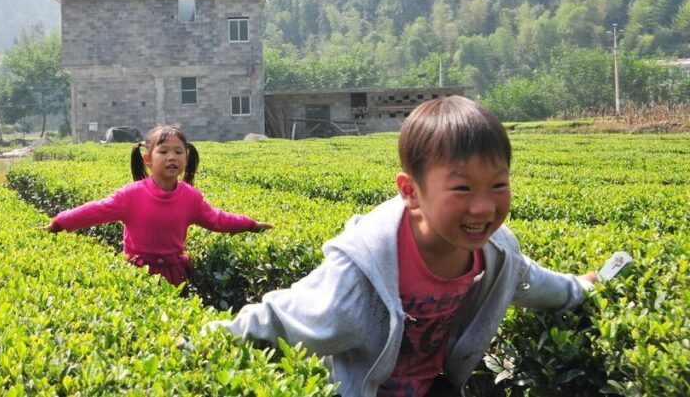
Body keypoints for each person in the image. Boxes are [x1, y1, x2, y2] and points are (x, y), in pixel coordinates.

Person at [206, 96, 597, 397]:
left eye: (498, 184)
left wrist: (581, 286)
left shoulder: (495, 251)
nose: (483, 206)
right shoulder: (363, 266)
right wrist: (202, 342)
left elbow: (528, 280)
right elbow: (281, 319)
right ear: (411, 191)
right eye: (462, 188)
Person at [41, 124, 273, 286]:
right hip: (136, 273)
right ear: (148, 159)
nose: (172, 157)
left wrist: (251, 224)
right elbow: (95, 211)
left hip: (175, 275)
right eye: (163, 151)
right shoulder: (130, 195)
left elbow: (217, 219)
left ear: (186, 158)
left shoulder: (190, 197)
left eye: (178, 152)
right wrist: (60, 222)